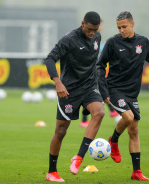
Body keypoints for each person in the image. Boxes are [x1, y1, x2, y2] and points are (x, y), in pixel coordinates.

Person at [97, 11, 149, 181]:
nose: (121, 30)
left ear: (133, 24)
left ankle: (136, 172)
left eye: (124, 27)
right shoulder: (112, 42)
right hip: (115, 89)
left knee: (134, 130)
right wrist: (104, 91)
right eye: (119, 27)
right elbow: (100, 66)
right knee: (128, 117)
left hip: (132, 93)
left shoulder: (143, 42)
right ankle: (114, 140)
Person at [44, 11, 104, 182]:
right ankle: (52, 172)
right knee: (61, 131)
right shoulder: (69, 39)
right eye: (90, 29)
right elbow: (50, 59)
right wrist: (58, 82)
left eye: (96, 29)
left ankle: (78, 158)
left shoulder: (97, 37)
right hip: (69, 90)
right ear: (83, 23)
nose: (92, 33)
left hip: (89, 87)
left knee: (99, 113)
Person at [80, 19, 118, 128]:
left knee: (96, 90)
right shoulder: (91, 36)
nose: (101, 27)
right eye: (100, 25)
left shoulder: (97, 36)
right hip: (89, 70)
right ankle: (84, 120)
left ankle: (110, 110)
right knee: (92, 92)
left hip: (93, 69)